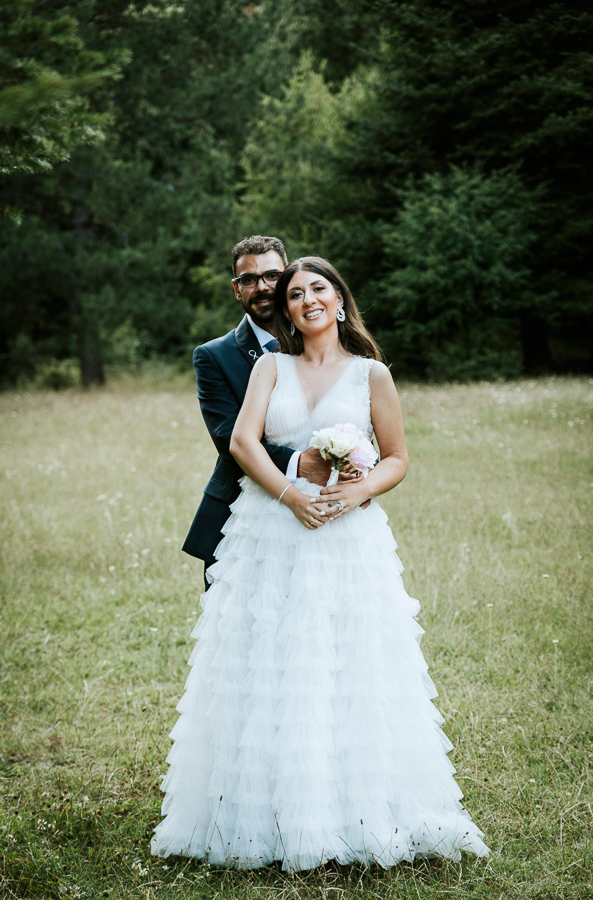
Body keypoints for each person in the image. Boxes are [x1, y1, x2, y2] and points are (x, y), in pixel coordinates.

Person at [152, 257, 490, 870]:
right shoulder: (269, 368)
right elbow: (242, 442)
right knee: (266, 662)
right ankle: (256, 815)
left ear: (338, 300)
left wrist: (357, 491)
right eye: (295, 293)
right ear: (286, 309)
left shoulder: (372, 374)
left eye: (318, 289)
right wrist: (291, 495)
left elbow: (396, 458)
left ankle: (353, 812)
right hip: (268, 531)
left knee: (347, 664)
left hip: (346, 537)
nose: (306, 299)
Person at [182, 236, 337, 581]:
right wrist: (302, 464)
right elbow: (228, 439)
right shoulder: (213, 356)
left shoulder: (326, 342)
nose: (262, 287)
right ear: (237, 290)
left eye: (271, 276)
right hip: (244, 513)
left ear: (288, 278)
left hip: (327, 508)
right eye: (249, 280)